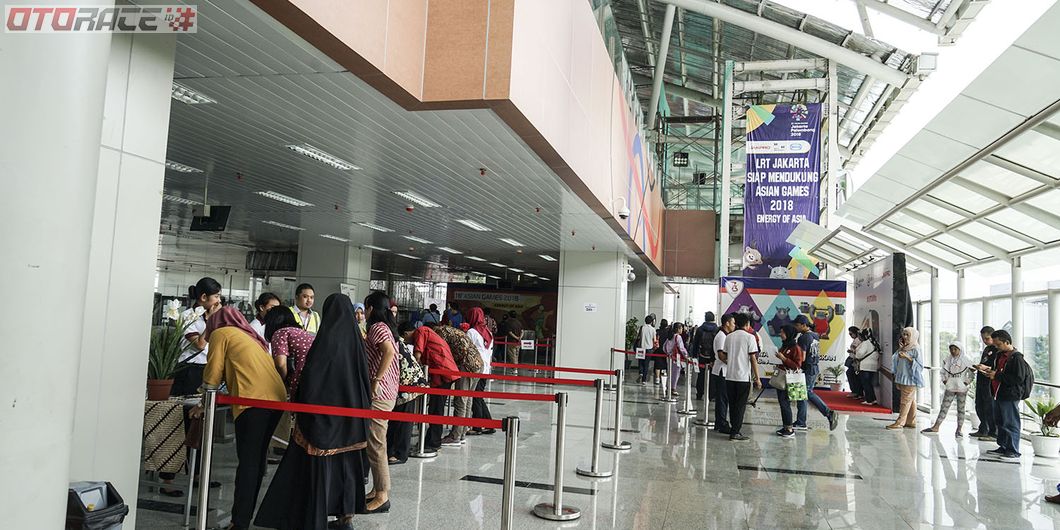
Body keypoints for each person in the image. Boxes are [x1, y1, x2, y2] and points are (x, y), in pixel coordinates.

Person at [255, 294, 371, 530]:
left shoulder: (326, 342)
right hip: (352, 424)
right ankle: (345, 516)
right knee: (346, 467)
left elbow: (313, 379)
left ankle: (315, 517)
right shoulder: (356, 343)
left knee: (319, 469)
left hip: (324, 423)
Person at [192, 306, 286, 530]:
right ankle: (243, 517)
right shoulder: (248, 336)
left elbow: (213, 372)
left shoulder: (220, 334)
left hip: (253, 402)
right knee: (256, 460)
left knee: (248, 463)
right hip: (275, 400)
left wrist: (203, 403)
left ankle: (240, 522)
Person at [362, 291, 402, 513]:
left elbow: (386, 352)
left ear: (371, 308)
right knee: (376, 443)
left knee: (377, 444)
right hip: (387, 392)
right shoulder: (387, 327)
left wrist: (376, 379)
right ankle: (377, 489)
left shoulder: (377, 327)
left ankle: (382, 496)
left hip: (380, 394)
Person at [399, 322, 459, 451]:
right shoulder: (426, 332)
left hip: (443, 373)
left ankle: (433, 443)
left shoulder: (421, 331)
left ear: (406, 334)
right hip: (443, 373)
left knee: (436, 410)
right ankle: (430, 440)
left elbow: (417, 354)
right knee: (435, 408)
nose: (408, 343)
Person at [977, 329, 1030, 461]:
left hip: (1010, 395)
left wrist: (997, 375)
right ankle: (1003, 446)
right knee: (1000, 421)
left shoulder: (1016, 358)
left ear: (1007, 342)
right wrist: (989, 370)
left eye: (998, 344)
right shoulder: (1000, 355)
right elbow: (998, 371)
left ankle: (1013, 450)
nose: (996, 347)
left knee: (1010, 422)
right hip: (998, 393)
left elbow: (1018, 378)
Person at [172, 277, 223, 396]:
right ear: (204, 297)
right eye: (216, 296)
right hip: (190, 369)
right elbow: (200, 344)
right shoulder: (187, 316)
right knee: (188, 408)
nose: (219, 301)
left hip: (208, 367)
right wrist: (211, 320)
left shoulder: (215, 317)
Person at [793, 315, 839, 431]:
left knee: (805, 393)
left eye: (797, 325)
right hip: (814, 368)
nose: (796, 327)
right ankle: (800, 421)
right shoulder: (815, 335)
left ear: (804, 325)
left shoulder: (803, 338)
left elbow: (802, 358)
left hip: (806, 368)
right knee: (802, 395)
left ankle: (828, 413)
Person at [719, 313, 761, 441]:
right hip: (743, 377)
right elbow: (753, 359)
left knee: (732, 404)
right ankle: (735, 432)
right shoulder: (750, 337)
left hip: (730, 376)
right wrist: (757, 378)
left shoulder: (729, 337)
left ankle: (733, 428)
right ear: (747, 324)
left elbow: (723, 356)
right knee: (741, 405)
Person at [922, 341, 975, 436]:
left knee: (961, 409)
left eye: (955, 349)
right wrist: (945, 380)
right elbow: (942, 372)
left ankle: (959, 429)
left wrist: (966, 382)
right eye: (951, 349)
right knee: (944, 407)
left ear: (960, 349)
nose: (953, 351)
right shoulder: (947, 359)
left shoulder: (966, 360)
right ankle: (936, 426)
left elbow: (971, 373)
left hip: (961, 388)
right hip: (950, 386)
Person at [264, 306, 314, 396]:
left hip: (300, 380)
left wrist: (279, 384)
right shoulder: (303, 332)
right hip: (314, 379)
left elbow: (280, 364)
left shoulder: (281, 333)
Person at [464, 307, 496, 436]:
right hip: (486, 368)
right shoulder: (488, 331)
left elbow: (465, 349)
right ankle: (488, 424)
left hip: (475, 368)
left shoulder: (472, 332)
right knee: (478, 396)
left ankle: (478, 426)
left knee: (475, 397)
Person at [887, 327, 925, 430]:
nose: (904, 336)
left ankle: (900, 422)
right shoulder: (905, 347)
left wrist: (907, 357)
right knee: (910, 400)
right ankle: (911, 421)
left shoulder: (916, 348)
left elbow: (920, 365)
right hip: (902, 377)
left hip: (910, 379)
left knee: (905, 401)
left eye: (907, 335)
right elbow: (895, 358)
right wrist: (900, 349)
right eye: (903, 334)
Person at [774, 325, 805, 438]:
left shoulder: (796, 348)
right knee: (783, 404)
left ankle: (789, 429)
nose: (780, 334)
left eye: (782, 332)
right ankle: (786, 426)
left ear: (789, 333)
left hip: (789, 380)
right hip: (782, 378)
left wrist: (783, 359)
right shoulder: (785, 346)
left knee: (785, 404)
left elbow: (797, 366)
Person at [972, 326, 999, 440]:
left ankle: (992, 432)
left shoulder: (997, 350)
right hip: (982, 380)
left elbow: (996, 367)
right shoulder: (987, 349)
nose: (985, 341)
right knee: (980, 405)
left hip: (990, 383)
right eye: (983, 338)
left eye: (987, 338)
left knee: (989, 407)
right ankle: (983, 428)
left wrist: (987, 367)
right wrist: (979, 367)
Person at [711, 314, 735, 433]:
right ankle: (721, 423)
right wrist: (733, 361)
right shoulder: (721, 336)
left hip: (725, 370)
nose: (734, 326)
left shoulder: (726, 336)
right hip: (721, 370)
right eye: (733, 323)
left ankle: (719, 422)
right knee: (722, 398)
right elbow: (721, 356)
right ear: (727, 323)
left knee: (724, 398)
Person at [691, 312, 719, 400]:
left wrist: (694, 356)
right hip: (713, 356)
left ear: (705, 318)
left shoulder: (700, 329)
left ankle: (699, 393)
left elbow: (695, 344)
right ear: (713, 318)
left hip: (702, 355)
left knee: (701, 375)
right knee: (713, 376)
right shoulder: (717, 329)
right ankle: (712, 395)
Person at [854, 328, 881, 405]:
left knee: (866, 383)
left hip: (865, 366)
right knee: (869, 383)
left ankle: (869, 400)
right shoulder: (874, 342)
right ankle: (873, 399)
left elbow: (859, 354)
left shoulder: (866, 343)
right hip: (873, 366)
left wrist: (856, 352)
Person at [663, 322, 689, 398]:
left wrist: (668, 353)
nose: (682, 330)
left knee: (670, 372)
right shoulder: (678, 337)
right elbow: (681, 348)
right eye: (681, 328)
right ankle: (673, 388)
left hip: (669, 357)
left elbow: (664, 347)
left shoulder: (670, 336)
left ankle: (668, 387)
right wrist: (686, 355)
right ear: (678, 329)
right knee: (675, 373)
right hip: (676, 358)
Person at [638, 315, 657, 385]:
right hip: (649, 348)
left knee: (640, 362)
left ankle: (641, 372)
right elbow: (654, 340)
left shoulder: (642, 328)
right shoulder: (653, 329)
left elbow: (639, 337)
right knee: (646, 364)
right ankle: (644, 380)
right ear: (651, 322)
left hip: (641, 347)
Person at [845, 326, 863, 399]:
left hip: (855, 360)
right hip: (853, 360)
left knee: (852, 375)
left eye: (851, 334)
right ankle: (855, 392)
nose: (850, 336)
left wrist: (851, 351)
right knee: (851, 375)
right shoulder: (856, 340)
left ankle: (856, 392)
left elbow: (858, 351)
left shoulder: (858, 340)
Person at [654, 318, 671, 387]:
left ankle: (657, 379)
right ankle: (664, 379)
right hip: (665, 350)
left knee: (658, 364)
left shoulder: (658, 331)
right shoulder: (668, 332)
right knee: (664, 365)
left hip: (658, 349)